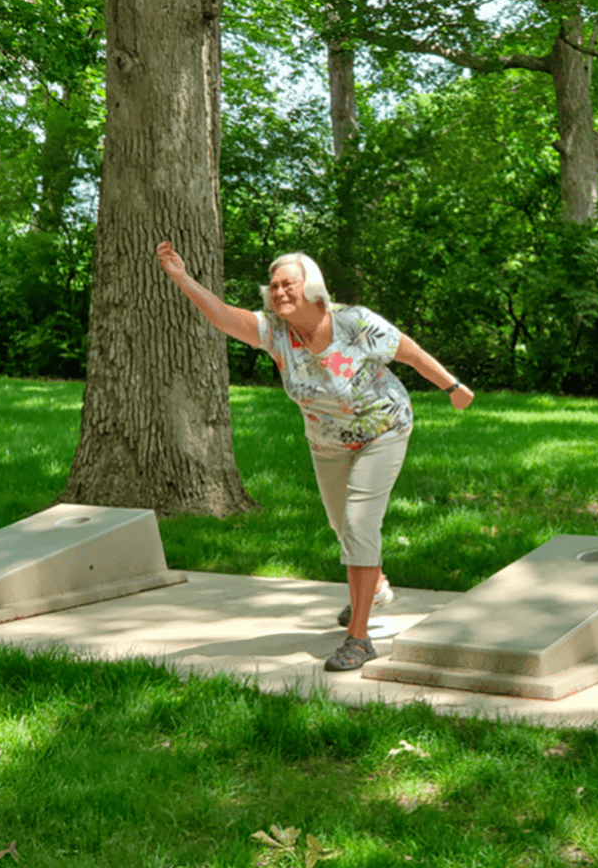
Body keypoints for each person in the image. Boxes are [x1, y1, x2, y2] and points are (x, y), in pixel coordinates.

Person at [156, 241, 474, 671]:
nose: (278, 291)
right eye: (273, 286)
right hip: (327, 442)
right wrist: (183, 278)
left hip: (383, 430)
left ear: (312, 286)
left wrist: (452, 388)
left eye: (288, 283)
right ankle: (374, 585)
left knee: (361, 525)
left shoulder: (354, 323)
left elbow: (410, 352)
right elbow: (222, 315)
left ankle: (358, 639)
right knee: (342, 525)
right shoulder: (275, 333)